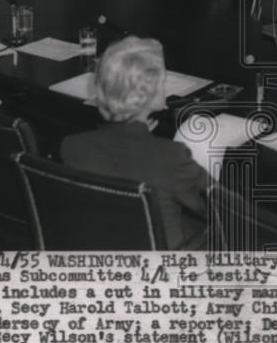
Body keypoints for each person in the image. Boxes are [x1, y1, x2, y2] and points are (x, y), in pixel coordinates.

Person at [61, 37, 208, 250]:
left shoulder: (71, 146)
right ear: (148, 94)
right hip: (162, 271)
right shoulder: (172, 157)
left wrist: (137, 137)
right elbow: (218, 206)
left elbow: (121, 161)